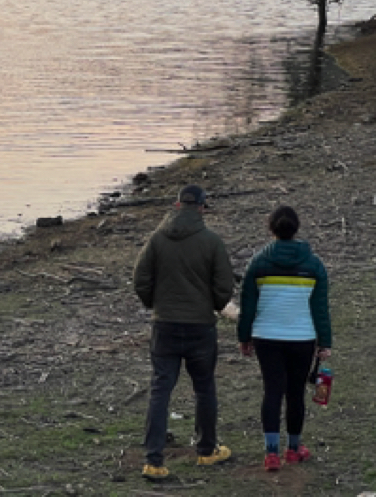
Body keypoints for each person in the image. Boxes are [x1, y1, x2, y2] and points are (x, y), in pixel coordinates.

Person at [133, 184, 235, 480]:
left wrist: (155, 304)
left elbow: (140, 279)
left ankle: (153, 460)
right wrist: (214, 306)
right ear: (202, 207)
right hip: (200, 327)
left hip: (164, 326)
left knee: (160, 390)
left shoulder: (156, 240)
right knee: (204, 388)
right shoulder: (211, 241)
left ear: (177, 205)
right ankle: (206, 450)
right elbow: (224, 286)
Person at [237, 205, 332, 472]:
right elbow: (320, 308)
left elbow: (248, 305)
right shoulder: (313, 265)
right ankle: (293, 448)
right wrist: (325, 342)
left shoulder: (258, 262)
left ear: (271, 229)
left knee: (272, 391)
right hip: (302, 337)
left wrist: (244, 337)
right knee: (295, 393)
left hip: (266, 336)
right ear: (296, 228)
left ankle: (270, 454)